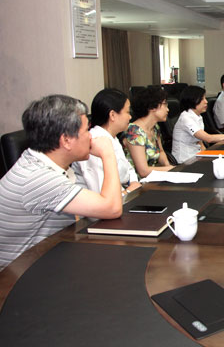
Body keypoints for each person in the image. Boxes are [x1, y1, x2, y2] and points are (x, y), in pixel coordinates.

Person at [0, 95, 122, 270]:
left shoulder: (37, 160)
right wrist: (108, 153)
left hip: (47, 257)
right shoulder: (39, 177)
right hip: (17, 275)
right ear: (66, 140)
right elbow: (112, 208)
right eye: (86, 130)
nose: (91, 137)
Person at [72, 89, 141, 196]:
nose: (130, 117)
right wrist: (129, 191)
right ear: (112, 115)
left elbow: (128, 169)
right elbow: (101, 194)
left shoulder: (112, 137)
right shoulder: (95, 143)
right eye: (127, 112)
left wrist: (133, 184)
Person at [172, 86, 224, 163]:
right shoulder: (186, 118)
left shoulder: (198, 116)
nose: (206, 102)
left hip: (196, 155)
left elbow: (200, 141)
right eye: (202, 99)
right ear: (192, 100)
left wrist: (207, 154)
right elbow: (208, 138)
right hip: (184, 160)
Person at [125, 87, 174, 178]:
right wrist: (171, 170)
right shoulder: (134, 131)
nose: (167, 109)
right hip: (137, 181)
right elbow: (143, 171)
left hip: (153, 177)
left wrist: (168, 166)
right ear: (152, 107)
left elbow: (161, 152)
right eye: (165, 104)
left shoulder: (155, 128)